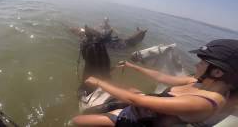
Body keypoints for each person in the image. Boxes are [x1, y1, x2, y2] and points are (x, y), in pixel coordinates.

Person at [72, 39, 238, 126]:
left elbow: (135, 101)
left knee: (77, 122)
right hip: (147, 107)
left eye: (202, 62)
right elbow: (163, 77)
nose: (196, 65)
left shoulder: (205, 102)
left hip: (140, 121)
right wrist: (135, 67)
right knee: (130, 89)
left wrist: (99, 82)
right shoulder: (198, 82)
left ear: (217, 71)